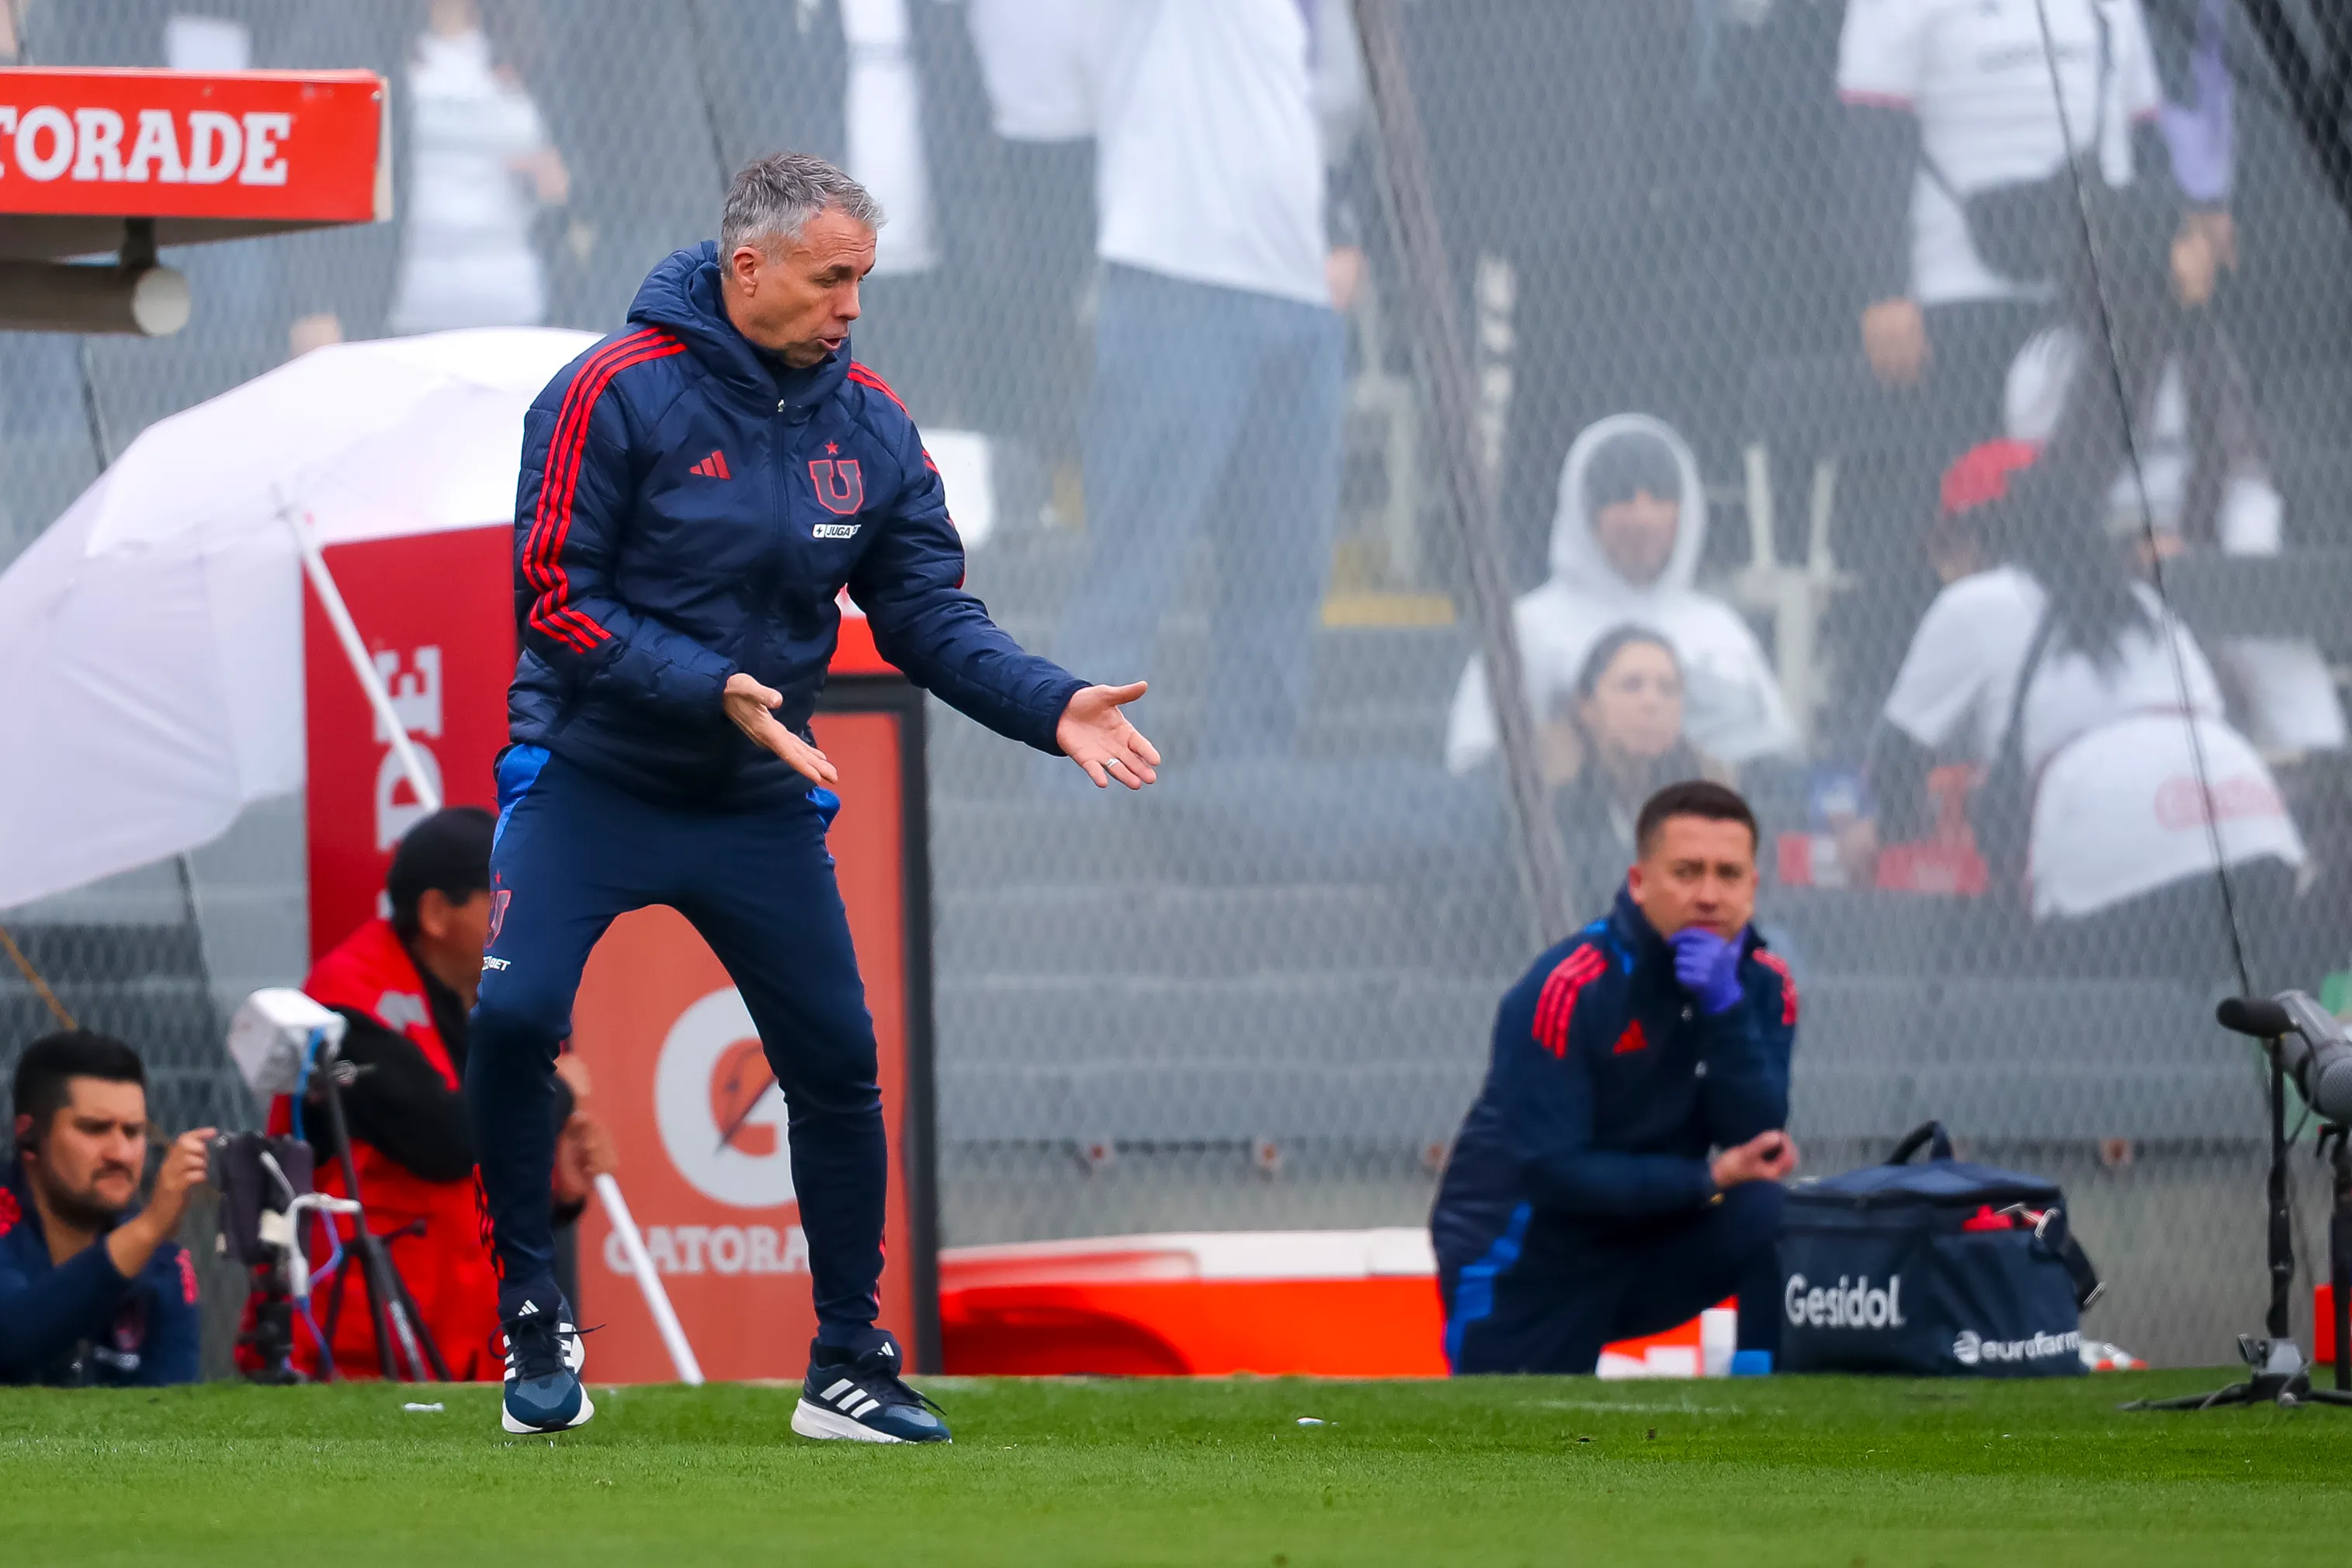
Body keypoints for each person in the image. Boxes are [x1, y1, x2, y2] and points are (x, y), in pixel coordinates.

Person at [471, 151, 1157, 1440]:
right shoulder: (607, 394)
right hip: (594, 770)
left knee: (839, 1063)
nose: (852, 306)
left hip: (752, 795)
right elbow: (555, 599)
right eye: (832, 278)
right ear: (748, 268)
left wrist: (1049, 700)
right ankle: (533, 1319)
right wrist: (709, 684)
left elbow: (928, 615)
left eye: (864, 280)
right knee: (514, 1021)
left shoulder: (872, 423)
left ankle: (848, 1362)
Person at [1050, 0, 1363, 762]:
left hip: (1299, 294)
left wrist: (1347, 235)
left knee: (1284, 569)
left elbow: (1333, 127)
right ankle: (1074, 802)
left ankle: (1248, 787)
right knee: (1135, 562)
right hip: (1176, 281)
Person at [1857, 439, 2304, 972]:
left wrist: (1878, 834)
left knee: (2095, 1029)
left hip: (2112, 853)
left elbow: (1896, 759)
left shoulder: (1976, 602)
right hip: (2253, 832)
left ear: (1975, 538)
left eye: (1945, 544)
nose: (1942, 564)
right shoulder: (2141, 601)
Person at [1431, 781, 1800, 1375]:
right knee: (1511, 1456)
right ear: (1639, 882)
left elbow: (1756, 1129)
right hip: (1527, 1257)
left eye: (1728, 875)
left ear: (1752, 888)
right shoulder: (1567, 987)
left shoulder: (1764, 984)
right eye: (1686, 872)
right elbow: (1553, 1171)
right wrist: (1706, 1176)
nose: (1708, 895)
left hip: (1653, 1239)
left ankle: (1761, 1405)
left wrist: (1723, 1008)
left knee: (1773, 1215)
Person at [259, 807, 612, 1382]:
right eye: (504, 898)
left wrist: (558, 1194)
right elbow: (445, 1141)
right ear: (436, 912)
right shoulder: (344, 1003)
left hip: (456, 1339)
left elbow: (481, 1176)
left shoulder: (483, 1001)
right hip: (357, 1345)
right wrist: (554, 1096)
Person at [1446, 415, 1797, 776]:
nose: (1643, 519)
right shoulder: (1528, 627)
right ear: (1584, 510)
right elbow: (1474, 759)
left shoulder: (1718, 627)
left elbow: (1775, 757)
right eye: (1621, 498)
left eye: (1660, 498)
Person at [2, 1032, 212, 1387]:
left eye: (133, 1132)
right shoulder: (148, 1233)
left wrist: (146, 1235)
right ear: (30, 1136)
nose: (121, 1153)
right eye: (95, 1129)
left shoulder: (163, 1261)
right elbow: (10, 1341)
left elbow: (171, 1415)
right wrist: (148, 1229)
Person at [385, 0, 569, 335]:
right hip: (414, 297)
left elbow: (567, 172)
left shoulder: (526, 54)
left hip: (509, 295)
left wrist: (551, 177)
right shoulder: (386, 51)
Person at [1549, 626, 1729, 914]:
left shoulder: (1705, 811)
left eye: (1668, 689)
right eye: (1632, 686)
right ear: (1587, 706)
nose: (1652, 703)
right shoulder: (1556, 813)